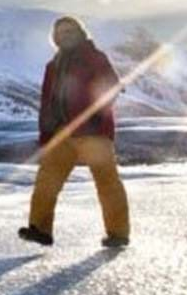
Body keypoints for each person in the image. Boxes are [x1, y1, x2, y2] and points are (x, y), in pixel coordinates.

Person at [19, 15, 130, 250]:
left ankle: (118, 233)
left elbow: (110, 85)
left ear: (80, 32)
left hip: (93, 132)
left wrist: (96, 116)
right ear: (55, 38)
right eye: (61, 32)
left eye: (70, 30)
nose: (65, 35)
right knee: (46, 181)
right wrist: (46, 135)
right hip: (61, 134)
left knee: (107, 183)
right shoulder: (52, 66)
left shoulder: (94, 57)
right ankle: (40, 230)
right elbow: (46, 102)